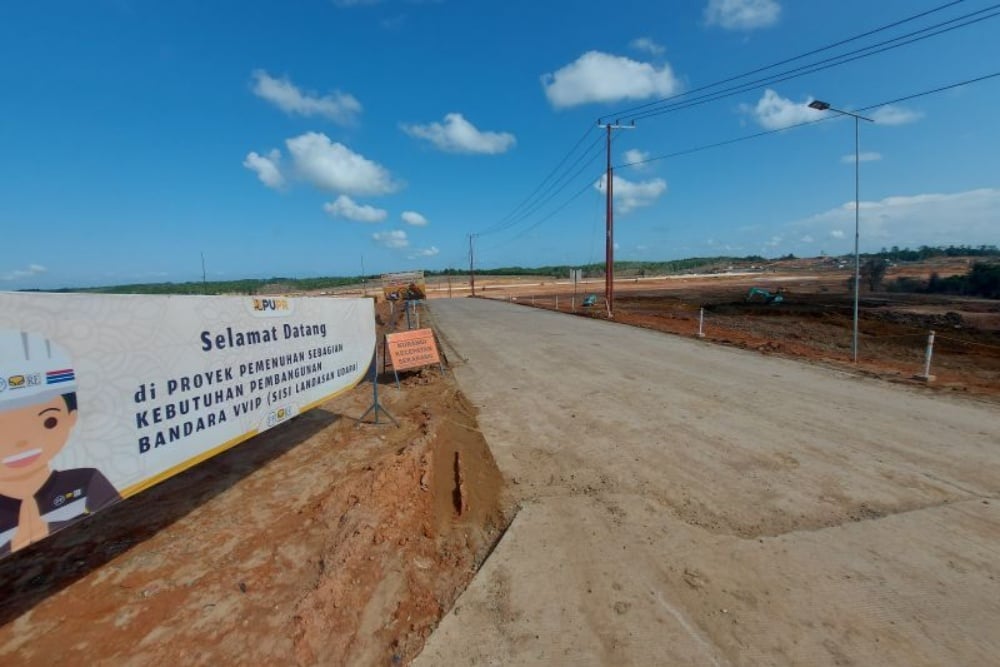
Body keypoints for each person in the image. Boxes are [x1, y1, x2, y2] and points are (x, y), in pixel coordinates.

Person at [0, 330, 121, 555]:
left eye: (48, 421)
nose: (21, 441)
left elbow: (120, 522)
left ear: (71, 417)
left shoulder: (87, 481)